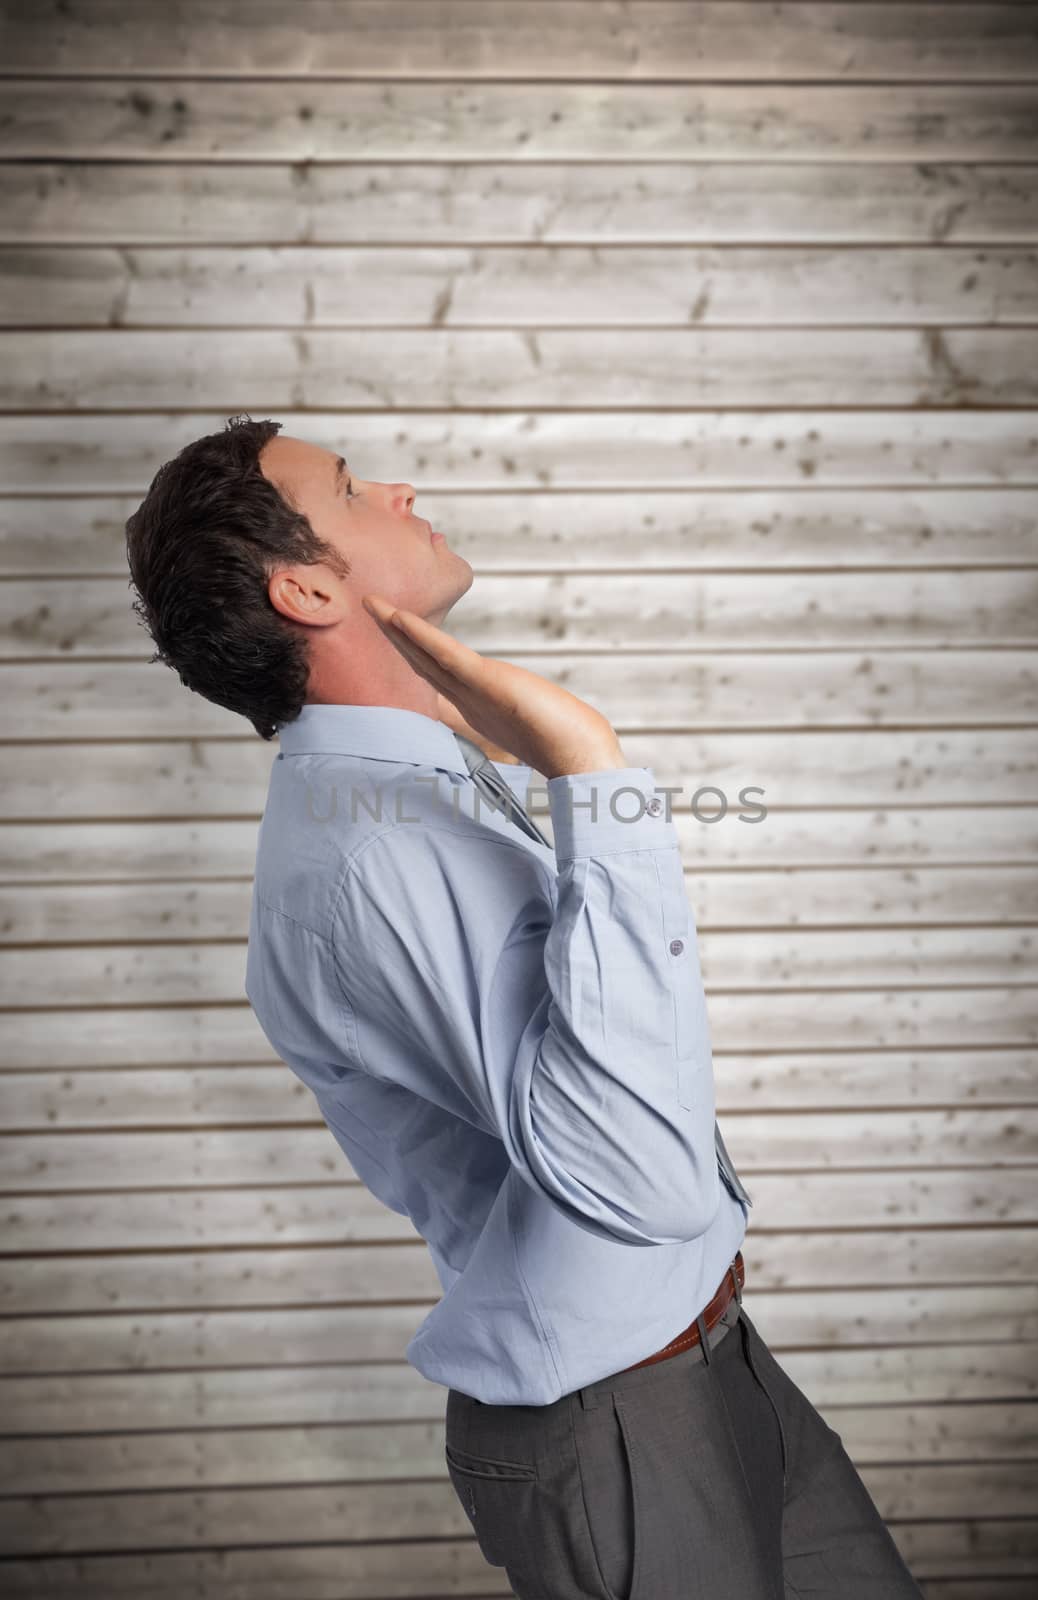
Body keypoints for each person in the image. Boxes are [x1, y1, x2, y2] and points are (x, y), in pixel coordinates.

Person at [125, 414, 925, 1599]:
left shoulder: (411, 784)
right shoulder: (368, 859)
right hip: (622, 1425)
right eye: (351, 489)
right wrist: (591, 772)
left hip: (703, 1368)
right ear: (305, 587)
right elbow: (641, 1182)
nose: (398, 487)